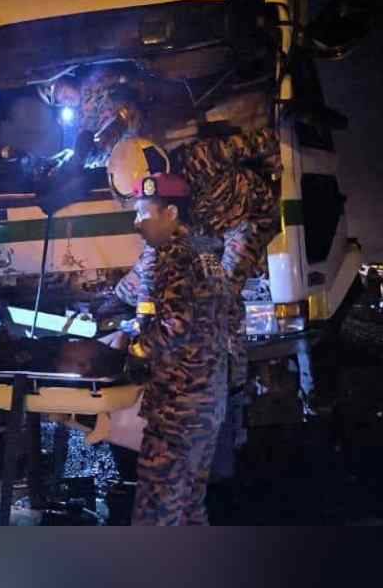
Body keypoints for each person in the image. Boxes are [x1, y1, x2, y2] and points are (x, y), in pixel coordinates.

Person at [103, 173, 230, 525]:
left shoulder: (170, 257)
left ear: (170, 213)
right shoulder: (207, 252)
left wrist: (134, 350)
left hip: (178, 404)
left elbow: (176, 326)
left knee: (157, 507)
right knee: (190, 505)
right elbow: (228, 317)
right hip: (208, 399)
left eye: (143, 214)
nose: (136, 222)